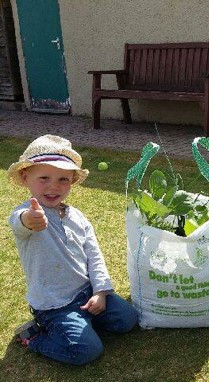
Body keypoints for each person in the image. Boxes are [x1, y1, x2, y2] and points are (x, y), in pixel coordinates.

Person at [8, 134, 138, 365]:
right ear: (26, 177)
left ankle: (85, 319)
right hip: (55, 304)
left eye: (63, 180)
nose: (53, 186)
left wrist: (100, 291)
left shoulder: (77, 216)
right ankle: (35, 337)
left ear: (72, 181)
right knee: (86, 351)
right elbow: (20, 223)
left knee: (127, 320)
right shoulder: (27, 213)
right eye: (44, 178)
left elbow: (94, 255)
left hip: (87, 293)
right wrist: (30, 219)